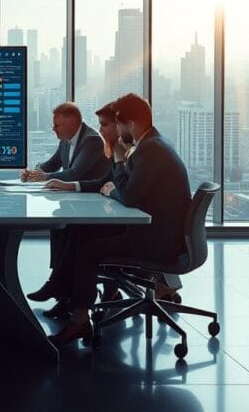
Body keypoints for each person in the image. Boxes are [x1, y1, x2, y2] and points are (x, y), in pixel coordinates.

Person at [46, 93, 191, 346]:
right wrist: (114, 176)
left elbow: (129, 195)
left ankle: (78, 320)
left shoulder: (151, 149)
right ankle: (63, 291)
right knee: (81, 232)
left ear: (131, 124)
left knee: (88, 248)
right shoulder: (151, 144)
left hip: (158, 241)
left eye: (119, 124)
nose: (115, 129)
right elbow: (124, 187)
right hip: (158, 231)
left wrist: (118, 166)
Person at [22, 102, 110, 306]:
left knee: (67, 229)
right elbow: (51, 165)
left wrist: (44, 177)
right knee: (58, 225)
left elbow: (75, 173)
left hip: (94, 203)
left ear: (72, 124)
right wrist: (34, 172)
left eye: (57, 125)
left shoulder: (92, 141)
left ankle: (58, 286)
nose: (53, 129)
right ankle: (60, 286)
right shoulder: (66, 139)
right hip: (76, 200)